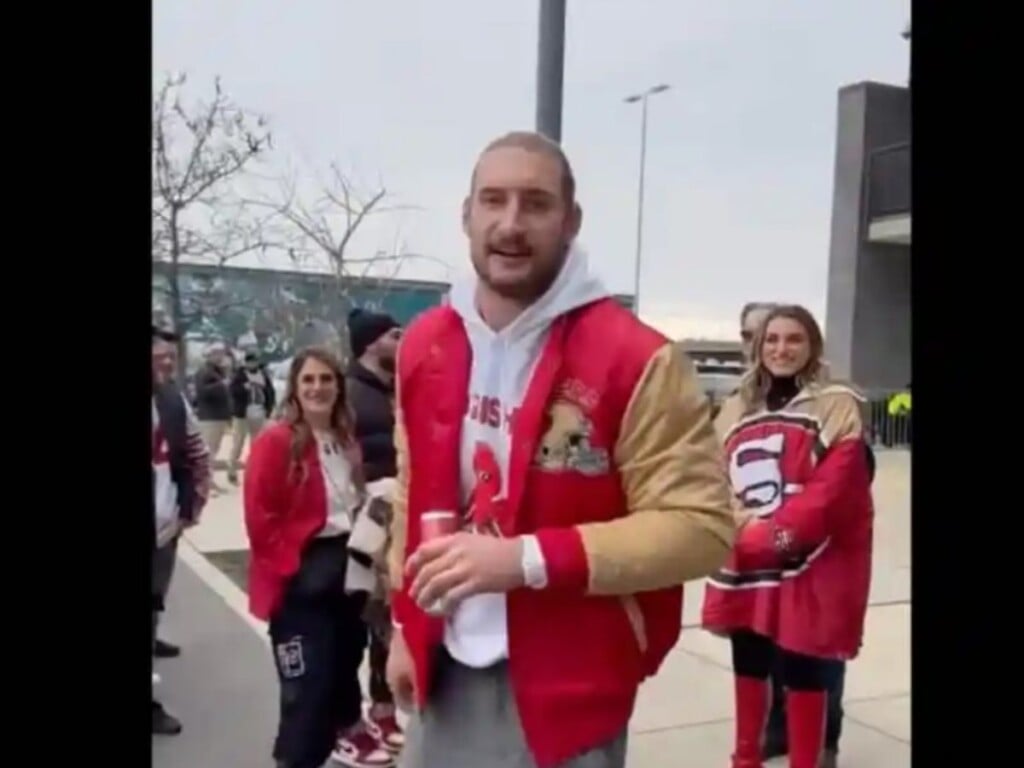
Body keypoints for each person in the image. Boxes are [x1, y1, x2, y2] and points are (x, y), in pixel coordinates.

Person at [385, 131, 736, 768]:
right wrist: (405, 627)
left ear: (571, 221)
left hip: (569, 687)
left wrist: (525, 560)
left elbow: (701, 528)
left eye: (536, 204)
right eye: (493, 201)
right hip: (444, 665)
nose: (511, 224)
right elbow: (413, 495)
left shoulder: (638, 358)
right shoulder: (425, 343)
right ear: (467, 215)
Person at [702, 304, 874, 768]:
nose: (781, 348)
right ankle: (745, 760)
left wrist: (775, 536)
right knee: (750, 661)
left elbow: (835, 490)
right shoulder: (736, 407)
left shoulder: (838, 402)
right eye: (771, 339)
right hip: (749, 566)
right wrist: (740, 533)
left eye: (793, 339)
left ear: (812, 345)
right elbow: (712, 481)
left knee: (806, 667)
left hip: (810, 564)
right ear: (758, 346)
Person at [244, 347, 394, 768]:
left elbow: (352, 502)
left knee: (341, 677)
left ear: (339, 386)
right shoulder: (276, 442)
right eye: (308, 379)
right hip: (301, 580)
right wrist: (292, 570)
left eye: (326, 379)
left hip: (346, 573)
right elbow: (260, 520)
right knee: (306, 693)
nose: (317, 388)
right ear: (294, 387)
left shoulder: (345, 439)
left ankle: (335, 745)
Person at [345, 307, 405, 754]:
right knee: (361, 622)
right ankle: (353, 719)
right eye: (395, 336)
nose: (402, 344)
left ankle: (384, 710)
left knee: (389, 620)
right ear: (372, 343)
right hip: (360, 527)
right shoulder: (347, 393)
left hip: (397, 520)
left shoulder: (396, 389)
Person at [152, 325, 212, 735]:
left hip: (165, 525)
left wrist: (193, 504)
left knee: (155, 598)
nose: (167, 365)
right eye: (160, 358)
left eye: (171, 358)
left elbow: (195, 450)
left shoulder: (172, 400)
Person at [227, 351, 276, 484]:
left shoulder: (263, 375)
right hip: (242, 413)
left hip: (259, 411)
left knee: (256, 443)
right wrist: (243, 388)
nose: (252, 364)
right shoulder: (240, 375)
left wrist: (269, 409)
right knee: (239, 441)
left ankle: (253, 470)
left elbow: (270, 392)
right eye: (249, 361)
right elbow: (232, 391)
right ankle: (231, 470)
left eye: (254, 361)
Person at [193, 343, 233, 492]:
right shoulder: (204, 372)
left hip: (219, 416)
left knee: (213, 450)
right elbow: (202, 392)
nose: (220, 356)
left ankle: (209, 480)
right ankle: (204, 482)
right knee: (208, 450)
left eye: (221, 353)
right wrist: (221, 385)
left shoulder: (218, 371)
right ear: (210, 355)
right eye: (217, 353)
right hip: (209, 417)